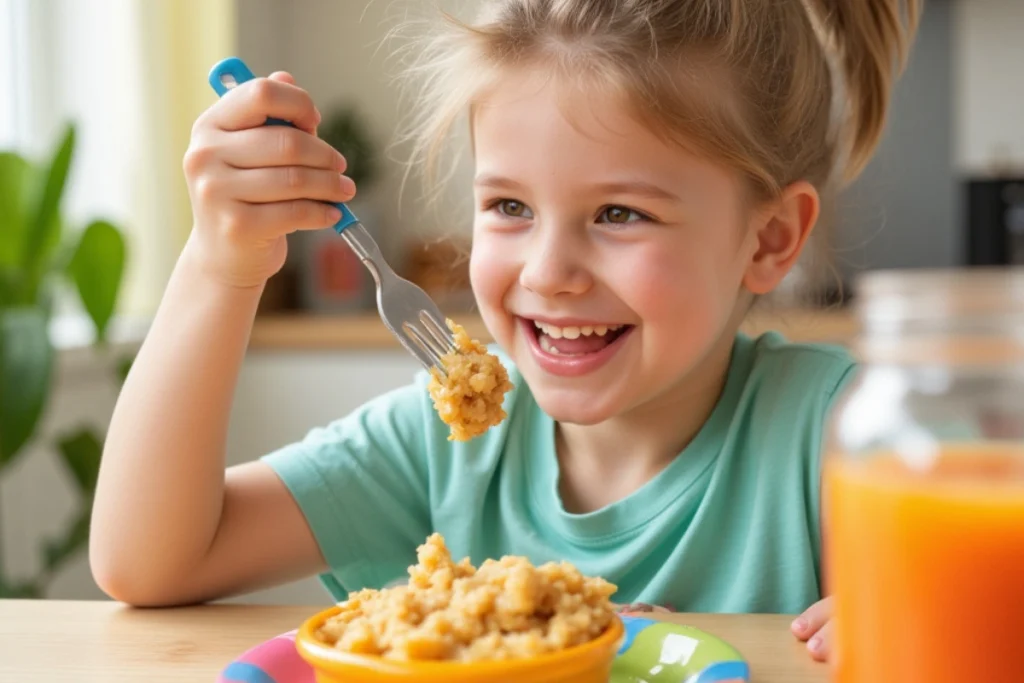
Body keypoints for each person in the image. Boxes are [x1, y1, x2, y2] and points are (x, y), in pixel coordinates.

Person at [89, 0, 920, 663]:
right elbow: (149, 560)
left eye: (620, 213)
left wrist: (928, 619)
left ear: (769, 239)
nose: (549, 271)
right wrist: (218, 268)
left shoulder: (847, 431)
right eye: (510, 207)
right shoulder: (445, 443)